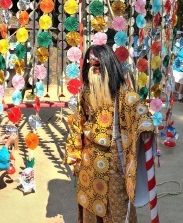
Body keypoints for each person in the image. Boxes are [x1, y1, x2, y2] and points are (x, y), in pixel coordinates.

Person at [64, 44, 156, 223]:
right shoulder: (85, 92)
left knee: (118, 209)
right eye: (91, 66)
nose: (94, 70)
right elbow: (77, 122)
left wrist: (144, 127)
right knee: (90, 207)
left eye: (98, 66)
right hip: (88, 160)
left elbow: (138, 109)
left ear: (109, 65)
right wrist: (74, 155)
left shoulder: (123, 93)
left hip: (113, 161)